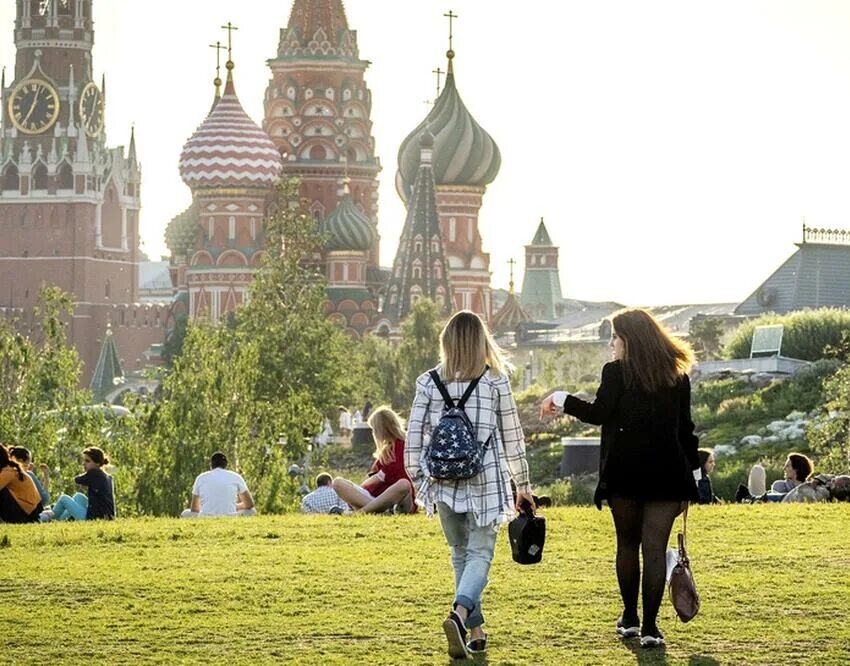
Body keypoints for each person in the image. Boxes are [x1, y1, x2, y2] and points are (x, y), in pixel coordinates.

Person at [540, 308, 699, 649]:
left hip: (625, 472)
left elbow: (598, 414)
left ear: (628, 339)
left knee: (627, 545)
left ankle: (630, 617)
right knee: (654, 551)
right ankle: (652, 628)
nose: (611, 344)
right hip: (669, 475)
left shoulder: (616, 374)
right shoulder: (677, 376)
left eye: (614, 337)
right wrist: (696, 476)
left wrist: (561, 399)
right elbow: (686, 431)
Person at [407, 310, 534, 659]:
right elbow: (513, 438)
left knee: (459, 554)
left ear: (446, 342)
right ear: (482, 342)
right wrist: (522, 485)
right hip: (486, 481)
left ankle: (475, 633)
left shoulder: (427, 382)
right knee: (480, 554)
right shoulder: (496, 382)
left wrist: (419, 481)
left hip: (442, 481)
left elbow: (413, 439)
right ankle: (460, 615)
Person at [332, 406, 417, 514]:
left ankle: (361, 512)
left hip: (401, 499)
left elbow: (383, 477)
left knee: (404, 484)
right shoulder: (383, 453)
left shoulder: (406, 446)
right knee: (338, 483)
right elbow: (374, 480)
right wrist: (356, 490)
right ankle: (379, 510)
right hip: (376, 498)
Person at [181, 451, 256, 518]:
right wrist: (235, 506)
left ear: (211, 465)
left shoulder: (201, 477)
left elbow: (194, 508)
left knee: (185, 513)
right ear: (226, 464)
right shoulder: (236, 476)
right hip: (230, 517)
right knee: (252, 511)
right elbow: (249, 504)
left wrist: (208, 508)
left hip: (205, 518)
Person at [49, 447, 115, 521]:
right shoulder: (107, 476)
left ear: (97, 463)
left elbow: (77, 479)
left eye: (87, 461)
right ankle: (60, 519)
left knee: (63, 499)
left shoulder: (94, 472)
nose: (84, 463)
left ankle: (47, 517)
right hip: (107, 517)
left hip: (94, 518)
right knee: (78, 496)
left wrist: (86, 480)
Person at [0, 443, 44, 523]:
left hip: (28, 517)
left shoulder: (8, 470)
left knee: (2, 492)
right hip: (30, 512)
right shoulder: (9, 469)